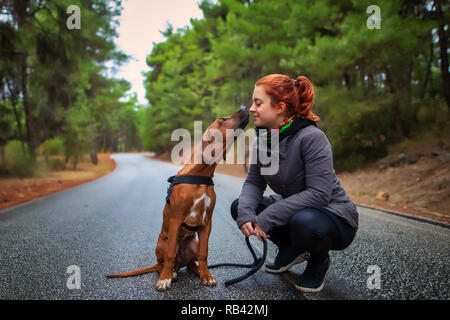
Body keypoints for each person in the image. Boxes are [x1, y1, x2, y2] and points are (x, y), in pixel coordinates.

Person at [230, 74, 358, 293]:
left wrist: (268, 217)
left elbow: (319, 195)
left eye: (258, 103)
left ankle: (319, 262)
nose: (252, 109)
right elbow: (254, 182)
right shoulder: (264, 139)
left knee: (304, 222)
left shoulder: (311, 137)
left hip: (333, 215)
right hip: (297, 210)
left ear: (279, 107)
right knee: (240, 205)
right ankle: (291, 248)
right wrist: (246, 214)